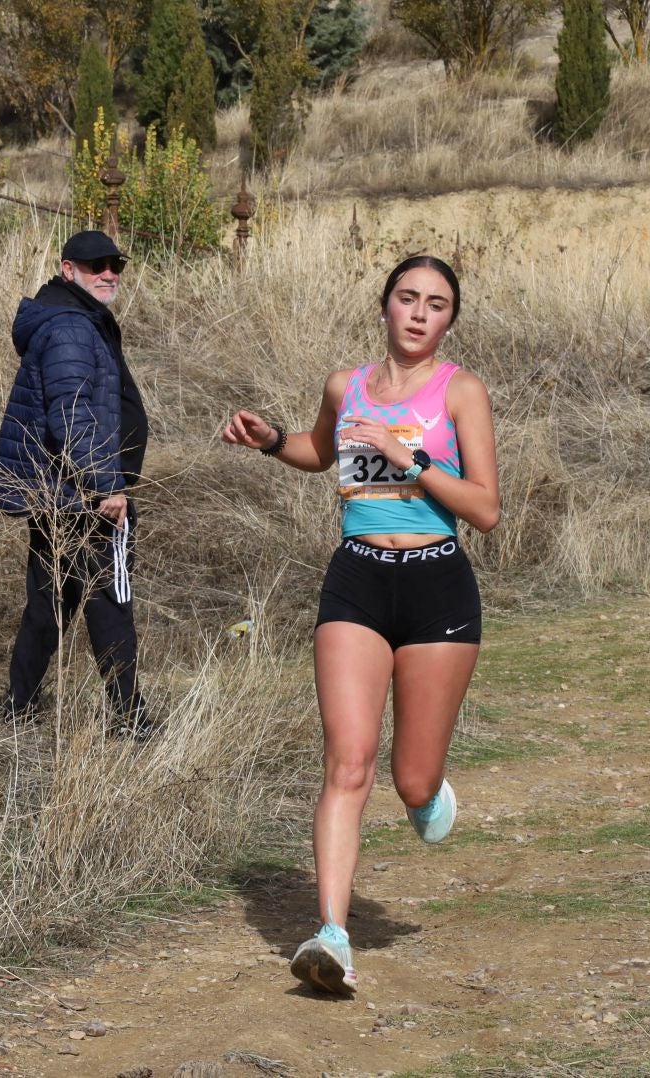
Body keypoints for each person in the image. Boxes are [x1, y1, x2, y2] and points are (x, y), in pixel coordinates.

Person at [221, 255, 500, 995]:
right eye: (406, 298)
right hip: (358, 580)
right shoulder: (345, 387)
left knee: (410, 780)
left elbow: (486, 509)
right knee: (348, 763)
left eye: (435, 304)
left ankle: (428, 794)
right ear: (384, 306)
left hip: (439, 583)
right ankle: (333, 937)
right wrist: (272, 440)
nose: (418, 313)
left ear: (449, 320)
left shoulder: (462, 391)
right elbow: (321, 453)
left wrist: (409, 461)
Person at [0, 229, 153, 738]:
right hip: (83, 493)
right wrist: (105, 484)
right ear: (68, 269)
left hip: (60, 492)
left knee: (49, 601)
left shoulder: (73, 320)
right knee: (110, 600)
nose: (108, 273)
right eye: (95, 265)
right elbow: (73, 414)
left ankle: (20, 704)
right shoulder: (72, 329)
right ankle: (130, 719)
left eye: (115, 266)